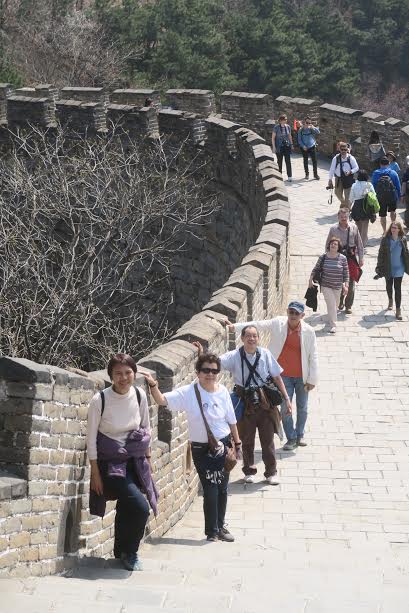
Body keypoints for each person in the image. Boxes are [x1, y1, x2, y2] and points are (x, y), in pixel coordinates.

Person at [144, 353, 242, 542]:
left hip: (224, 445)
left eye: (214, 371)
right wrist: (153, 385)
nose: (210, 374)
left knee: (222, 487)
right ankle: (212, 531)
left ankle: (220, 526)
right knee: (210, 487)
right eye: (206, 370)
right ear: (197, 372)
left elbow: (231, 419)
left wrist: (237, 444)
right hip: (201, 449)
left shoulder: (222, 391)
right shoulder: (189, 392)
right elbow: (162, 400)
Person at [87, 353, 157, 572]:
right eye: (118, 373)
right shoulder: (100, 400)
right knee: (140, 507)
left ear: (134, 374)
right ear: (110, 376)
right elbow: (91, 439)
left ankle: (122, 552)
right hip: (111, 464)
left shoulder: (139, 395)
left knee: (128, 506)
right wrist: (95, 474)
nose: (124, 378)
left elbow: (145, 429)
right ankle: (132, 552)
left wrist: (148, 460)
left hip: (135, 461)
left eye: (128, 373)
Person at [201, 326, 292, 484]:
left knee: (268, 440)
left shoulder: (265, 354)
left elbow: (277, 377)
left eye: (254, 336)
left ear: (258, 338)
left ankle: (271, 473)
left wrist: (287, 399)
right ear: (242, 338)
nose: (252, 339)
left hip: (265, 403)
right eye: (248, 336)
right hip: (245, 403)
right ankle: (249, 471)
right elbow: (214, 364)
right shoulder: (234, 356)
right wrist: (202, 354)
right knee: (247, 439)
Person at [225, 302, 318, 452]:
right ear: (287, 312)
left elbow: (313, 356)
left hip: (302, 376)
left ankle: (300, 434)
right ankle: (291, 438)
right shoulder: (278, 323)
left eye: (297, 313)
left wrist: (312, 379)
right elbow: (257, 325)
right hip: (283, 375)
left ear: (302, 315)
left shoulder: (309, 331)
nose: (293, 316)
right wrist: (234, 327)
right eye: (291, 312)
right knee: (285, 407)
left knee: (303, 407)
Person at [325, 207, 364, 314]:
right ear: (338, 217)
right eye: (341, 217)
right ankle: (340, 300)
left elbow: (359, 244)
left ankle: (348, 305)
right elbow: (328, 244)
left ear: (348, 217)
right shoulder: (333, 229)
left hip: (351, 259)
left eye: (345, 217)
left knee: (351, 283)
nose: (343, 218)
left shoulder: (354, 227)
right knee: (338, 281)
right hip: (337, 258)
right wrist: (327, 258)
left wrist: (361, 258)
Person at [309, 237, 349, 334]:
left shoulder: (343, 258)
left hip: (338, 286)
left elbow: (346, 273)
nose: (333, 245)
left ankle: (331, 316)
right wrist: (310, 280)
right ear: (329, 245)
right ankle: (333, 325)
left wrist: (346, 285)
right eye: (331, 244)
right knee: (331, 303)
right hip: (326, 285)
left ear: (338, 247)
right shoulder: (323, 257)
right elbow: (315, 269)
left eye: (335, 244)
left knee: (335, 304)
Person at [375, 221, 409, 320]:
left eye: (395, 228)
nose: (393, 229)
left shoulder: (403, 239)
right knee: (389, 286)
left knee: (398, 288)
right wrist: (379, 266)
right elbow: (381, 254)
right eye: (392, 227)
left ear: (399, 229)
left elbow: (406, 252)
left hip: (399, 268)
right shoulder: (385, 240)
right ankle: (390, 300)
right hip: (388, 267)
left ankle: (398, 310)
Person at [371, 156, 401, 236]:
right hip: (392, 196)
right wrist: (399, 196)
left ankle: (384, 232)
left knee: (383, 215)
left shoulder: (376, 173)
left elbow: (373, 186)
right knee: (393, 212)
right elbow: (398, 186)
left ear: (380, 164)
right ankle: (393, 229)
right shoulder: (393, 173)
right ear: (389, 163)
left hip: (380, 197)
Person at [349, 169, 377, 246]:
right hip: (366, 207)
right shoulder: (369, 185)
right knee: (365, 227)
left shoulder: (354, 185)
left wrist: (349, 208)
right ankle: (363, 244)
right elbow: (374, 196)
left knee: (358, 227)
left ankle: (358, 242)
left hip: (356, 206)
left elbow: (351, 199)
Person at [327, 142, 359, 208]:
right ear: (339, 149)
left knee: (348, 196)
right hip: (339, 179)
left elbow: (356, 167)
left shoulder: (351, 158)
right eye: (342, 149)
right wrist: (330, 179)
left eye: (345, 149)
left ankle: (347, 209)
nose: (343, 151)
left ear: (347, 149)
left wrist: (350, 172)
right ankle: (343, 202)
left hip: (348, 178)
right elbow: (332, 169)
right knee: (337, 193)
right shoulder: (336, 158)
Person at [272, 114, 293, 182]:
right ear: (281, 120)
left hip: (287, 146)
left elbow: (289, 136)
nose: (286, 121)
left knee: (288, 161)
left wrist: (291, 144)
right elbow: (273, 138)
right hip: (279, 146)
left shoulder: (288, 127)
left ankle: (289, 176)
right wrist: (274, 147)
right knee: (279, 162)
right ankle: (279, 176)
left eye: (286, 119)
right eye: (284, 119)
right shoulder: (276, 127)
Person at [400, 155, 409, 228]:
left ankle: (407, 223)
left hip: (407, 194)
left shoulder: (406, 172)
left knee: (408, 209)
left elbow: (404, 184)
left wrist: (402, 195)